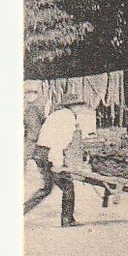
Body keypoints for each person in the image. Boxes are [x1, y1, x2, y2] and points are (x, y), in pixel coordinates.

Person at [25, 94, 89, 227]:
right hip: (49, 153)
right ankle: (67, 220)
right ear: (70, 106)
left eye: (79, 105)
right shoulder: (67, 118)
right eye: (77, 105)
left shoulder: (58, 114)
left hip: (40, 152)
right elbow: (59, 141)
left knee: (46, 189)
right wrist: (57, 163)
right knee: (67, 186)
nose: (80, 107)